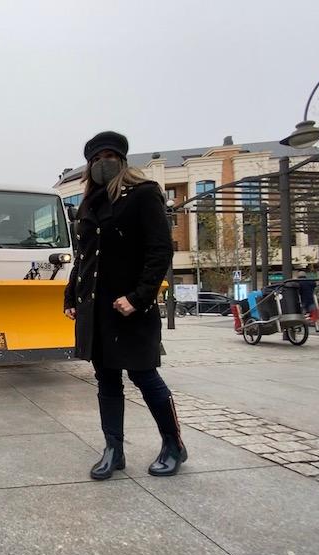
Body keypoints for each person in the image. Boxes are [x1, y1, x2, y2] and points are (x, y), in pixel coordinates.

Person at [64, 131, 187, 479]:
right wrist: (71, 296)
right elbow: (83, 257)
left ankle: (174, 445)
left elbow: (160, 250)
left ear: (121, 160)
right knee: (106, 379)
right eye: (95, 159)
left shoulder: (144, 194)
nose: (102, 163)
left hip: (130, 308)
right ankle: (113, 449)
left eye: (108, 156)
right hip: (97, 309)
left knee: (144, 376)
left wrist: (139, 297)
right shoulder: (90, 203)